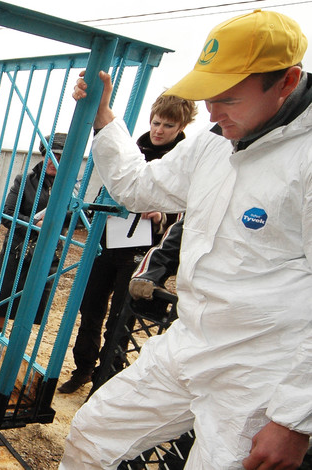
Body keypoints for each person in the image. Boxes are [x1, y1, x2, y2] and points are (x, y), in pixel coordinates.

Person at [63, 10, 312, 468]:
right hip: (190, 340)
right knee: (93, 434)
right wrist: (104, 118)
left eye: (229, 99)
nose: (212, 112)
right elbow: (138, 186)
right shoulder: (214, 143)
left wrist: (295, 418)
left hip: (261, 368)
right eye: (209, 96)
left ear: (286, 81)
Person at [57, 94, 195, 394]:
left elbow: (189, 216)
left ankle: (104, 381)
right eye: (156, 122)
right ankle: (83, 369)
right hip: (108, 242)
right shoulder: (132, 150)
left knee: (120, 320)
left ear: (182, 126)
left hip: (142, 253)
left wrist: (162, 216)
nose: (159, 130)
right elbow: (109, 187)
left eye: (168, 125)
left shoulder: (185, 161)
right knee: (90, 309)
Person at [0, 133, 67, 329]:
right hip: (17, 250)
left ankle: (15, 350)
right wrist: (34, 224)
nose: (54, 161)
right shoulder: (24, 181)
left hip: (48, 253)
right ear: (43, 155)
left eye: (61, 157)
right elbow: (7, 214)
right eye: (51, 155)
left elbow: (79, 221)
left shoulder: (71, 188)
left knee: (30, 308)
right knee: (2, 303)